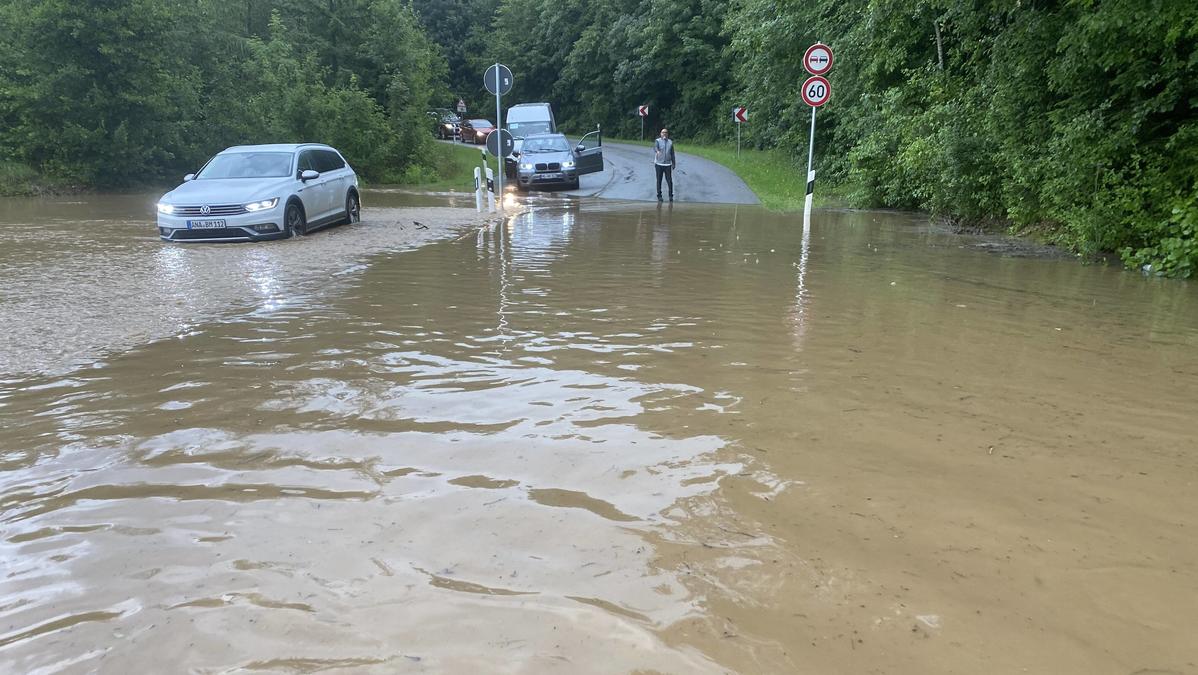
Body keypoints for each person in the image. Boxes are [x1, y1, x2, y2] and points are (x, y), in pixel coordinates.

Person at [653, 128, 676, 202]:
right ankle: (659, 196)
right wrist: (657, 151)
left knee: (669, 181)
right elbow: (655, 147)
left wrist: (674, 163)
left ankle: (670, 196)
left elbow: (672, 153)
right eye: (663, 132)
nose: (664, 134)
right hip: (659, 164)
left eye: (666, 133)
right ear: (660, 134)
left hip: (667, 164)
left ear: (667, 134)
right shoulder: (658, 141)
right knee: (659, 180)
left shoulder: (670, 142)